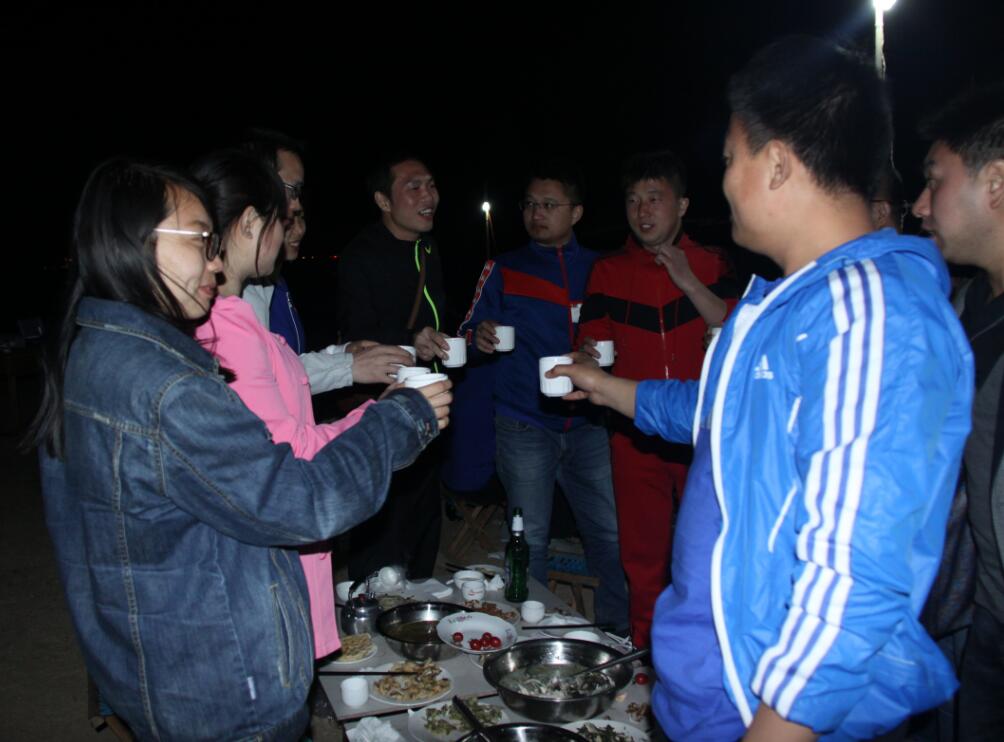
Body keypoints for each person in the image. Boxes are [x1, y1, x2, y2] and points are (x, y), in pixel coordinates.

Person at [551, 37, 972, 740]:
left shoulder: (869, 312)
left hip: (762, 712)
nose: (724, 182)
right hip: (709, 700)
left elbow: (854, 576)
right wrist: (606, 387)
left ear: (776, 163)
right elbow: (723, 413)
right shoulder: (788, 303)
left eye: (729, 160)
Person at [32, 158, 450, 740]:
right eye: (200, 240)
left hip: (157, 662)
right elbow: (301, 502)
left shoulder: (94, 349)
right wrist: (402, 417)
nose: (214, 260)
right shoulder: (166, 386)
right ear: (138, 241)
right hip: (222, 684)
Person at [191, 149, 375, 661]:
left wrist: (346, 359)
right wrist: (392, 415)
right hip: (271, 570)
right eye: (282, 216)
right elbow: (294, 459)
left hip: (282, 556)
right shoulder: (228, 325)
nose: (291, 226)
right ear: (252, 222)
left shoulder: (242, 314)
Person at [459, 161, 628, 632]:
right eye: (530, 204)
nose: (537, 213)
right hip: (524, 421)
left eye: (549, 205)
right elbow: (469, 330)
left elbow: (623, 334)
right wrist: (480, 335)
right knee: (527, 536)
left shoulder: (602, 268)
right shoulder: (503, 267)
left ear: (576, 212)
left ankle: (618, 631)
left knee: (610, 533)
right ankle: (523, 633)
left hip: (590, 424)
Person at [577, 149, 736, 647]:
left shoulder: (714, 262)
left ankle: (706, 655)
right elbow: (592, 341)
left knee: (708, 552)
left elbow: (739, 333)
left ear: (682, 205)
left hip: (702, 431)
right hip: (634, 432)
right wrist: (586, 353)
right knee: (642, 556)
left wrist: (687, 278)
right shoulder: (607, 270)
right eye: (633, 200)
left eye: (654, 198)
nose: (642, 211)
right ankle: (646, 655)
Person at [912, 82, 1004, 740]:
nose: (920, 206)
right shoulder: (967, 311)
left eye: (935, 180)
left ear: (995, 182)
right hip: (976, 611)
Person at [336, 154, 450, 580]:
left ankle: (419, 602)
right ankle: (372, 606)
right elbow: (356, 336)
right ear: (384, 201)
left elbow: (438, 318)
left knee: (424, 521)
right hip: (381, 407)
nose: (428, 195)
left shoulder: (429, 249)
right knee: (383, 526)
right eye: (413, 186)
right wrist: (410, 340)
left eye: (431, 184)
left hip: (429, 403)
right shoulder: (360, 255)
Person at [241, 129, 411, 390]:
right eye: (292, 190)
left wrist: (343, 354)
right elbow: (263, 381)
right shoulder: (236, 286)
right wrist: (348, 367)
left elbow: (285, 363)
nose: (297, 205)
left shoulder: (269, 280)